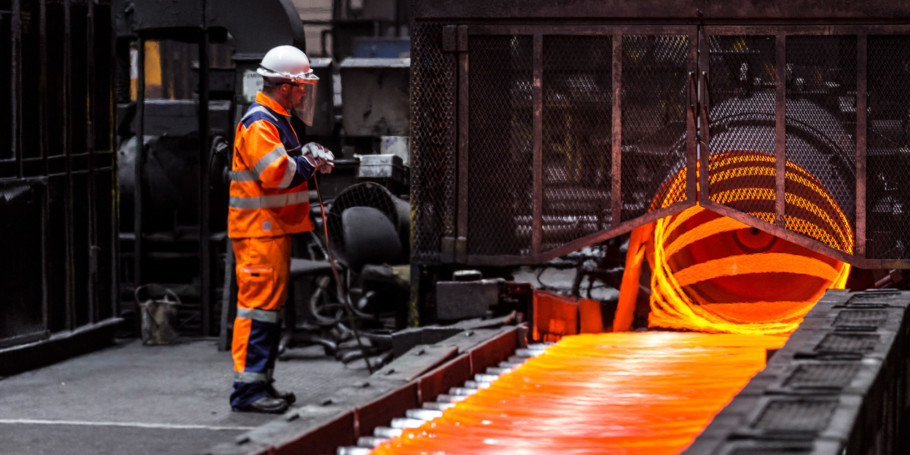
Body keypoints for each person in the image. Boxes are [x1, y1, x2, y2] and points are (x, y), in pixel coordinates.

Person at [227, 45, 334, 414]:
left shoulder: (275, 119)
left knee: (267, 313)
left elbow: (284, 161)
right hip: (259, 234)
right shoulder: (260, 123)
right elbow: (278, 174)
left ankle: (260, 384)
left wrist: (307, 154)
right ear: (285, 86)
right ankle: (248, 392)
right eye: (301, 85)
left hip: (271, 233)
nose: (304, 92)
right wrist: (308, 161)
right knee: (258, 312)